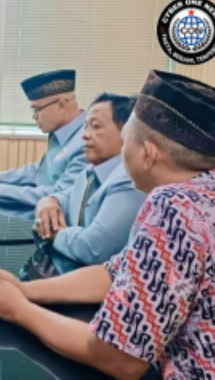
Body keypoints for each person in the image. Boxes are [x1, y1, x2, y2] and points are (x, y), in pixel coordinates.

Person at [0, 70, 215, 379]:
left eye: (126, 139)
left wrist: (18, 310)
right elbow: (116, 272)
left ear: (147, 153)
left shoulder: (173, 204)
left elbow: (122, 358)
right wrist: (23, 289)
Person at [33, 93, 145, 267]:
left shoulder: (130, 180)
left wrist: (54, 232)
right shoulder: (92, 170)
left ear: (127, 133)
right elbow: (68, 197)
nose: (84, 135)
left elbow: (92, 249)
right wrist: (49, 200)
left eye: (95, 126)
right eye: (85, 127)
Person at [0, 70, 87, 206]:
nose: (34, 117)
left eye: (37, 110)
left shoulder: (88, 141)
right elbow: (40, 172)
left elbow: (60, 195)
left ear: (62, 105)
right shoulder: (60, 133)